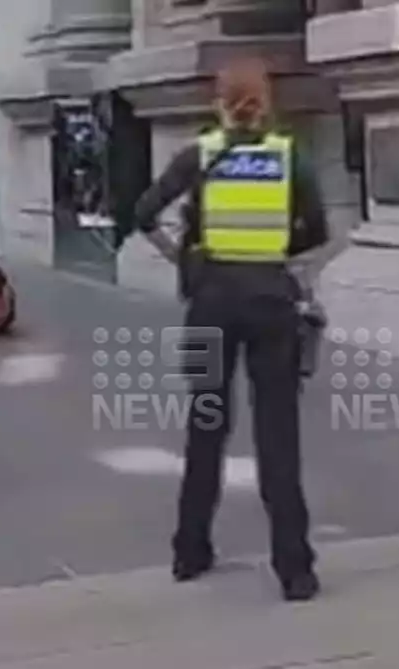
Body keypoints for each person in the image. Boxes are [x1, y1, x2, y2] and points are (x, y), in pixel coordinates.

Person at [131, 58, 329, 602]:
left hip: (211, 303)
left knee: (206, 426)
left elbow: (143, 212)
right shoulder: (291, 158)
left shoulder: (199, 155)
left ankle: (190, 550)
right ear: (267, 102)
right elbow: (316, 231)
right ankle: (295, 568)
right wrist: (277, 258)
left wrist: (184, 259)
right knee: (278, 438)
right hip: (271, 303)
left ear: (218, 102)